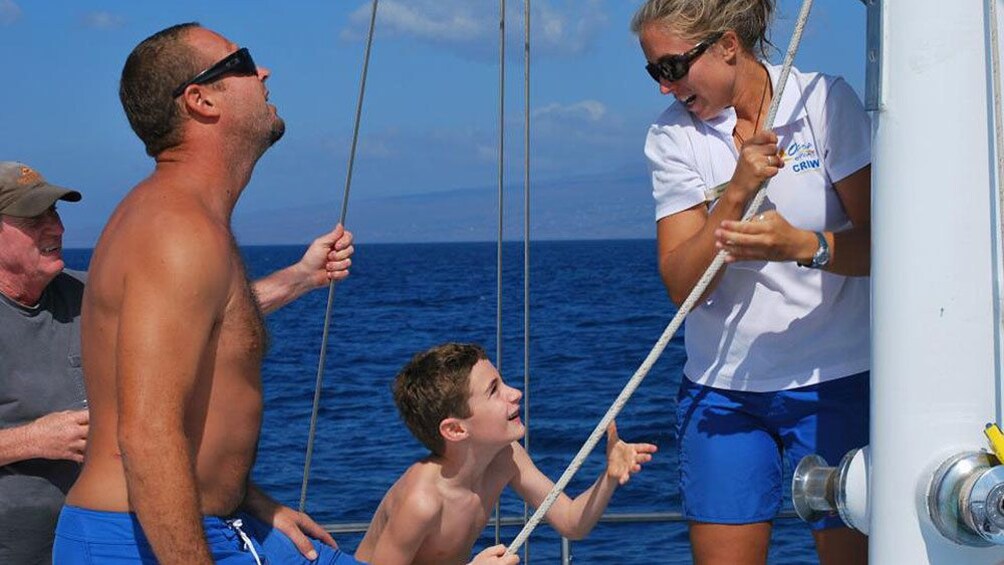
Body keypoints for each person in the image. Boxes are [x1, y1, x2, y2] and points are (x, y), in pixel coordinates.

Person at [53, 23, 359, 564]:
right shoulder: (176, 230)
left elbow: (205, 364)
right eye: (242, 62)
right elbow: (146, 436)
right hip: (136, 542)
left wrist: (253, 502)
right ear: (200, 100)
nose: (263, 72)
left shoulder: (188, 221)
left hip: (214, 523)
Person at [0, 159, 350, 565]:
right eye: (34, 218)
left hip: (128, 541)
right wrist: (32, 439)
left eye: (54, 213)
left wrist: (303, 277)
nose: (56, 228)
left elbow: (212, 318)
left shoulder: (89, 294)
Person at [631, 1, 871, 564]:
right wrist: (735, 192)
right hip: (722, 393)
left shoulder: (823, 103)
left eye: (671, 67)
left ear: (728, 46)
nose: (665, 89)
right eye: (654, 72)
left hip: (834, 380)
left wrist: (802, 247)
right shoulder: (672, 139)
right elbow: (683, 286)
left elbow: (885, 247)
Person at [354, 343, 658, 565]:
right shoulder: (423, 502)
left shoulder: (506, 456)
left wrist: (609, 477)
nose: (515, 393)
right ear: (456, 430)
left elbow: (571, 522)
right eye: (493, 391)